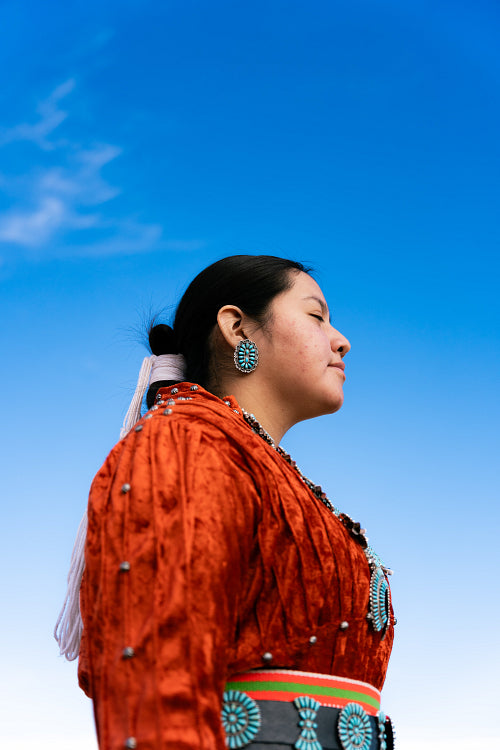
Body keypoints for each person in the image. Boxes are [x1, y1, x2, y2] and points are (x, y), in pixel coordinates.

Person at [56, 255, 395, 750]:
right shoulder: (186, 445)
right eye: (316, 316)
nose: (341, 340)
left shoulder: (259, 462)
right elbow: (156, 693)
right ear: (237, 328)